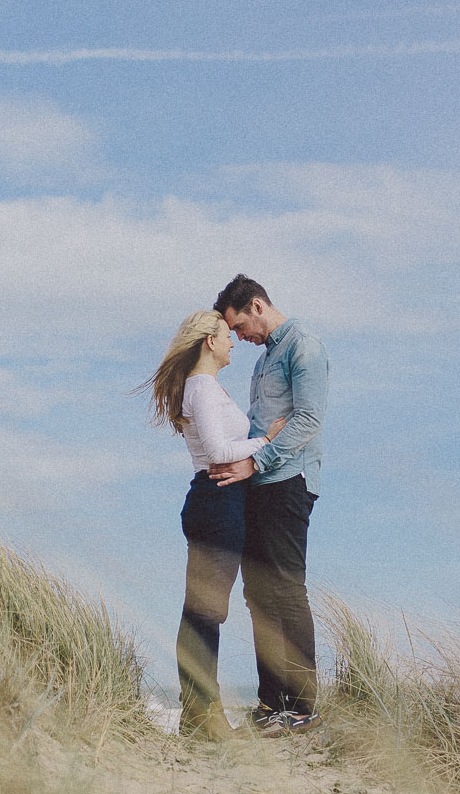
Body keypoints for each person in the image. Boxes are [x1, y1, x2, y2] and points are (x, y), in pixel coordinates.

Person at [137, 310, 285, 741]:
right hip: (215, 502)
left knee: (205, 612)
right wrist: (268, 441)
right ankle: (205, 716)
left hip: (220, 503)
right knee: (204, 613)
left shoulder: (207, 388)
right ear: (209, 342)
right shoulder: (201, 387)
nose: (233, 342)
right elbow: (220, 451)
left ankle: (198, 715)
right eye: (226, 335)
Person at [208, 275, 328, 737]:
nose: (238, 338)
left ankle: (302, 708)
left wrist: (256, 462)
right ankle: (270, 704)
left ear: (257, 306)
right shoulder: (266, 359)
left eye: (239, 327)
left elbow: (308, 420)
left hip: (287, 482)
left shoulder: (304, 347)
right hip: (259, 482)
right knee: (257, 595)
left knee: (286, 590)